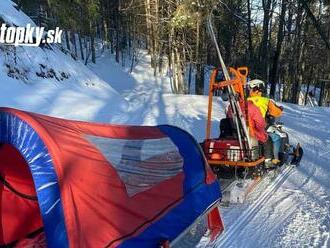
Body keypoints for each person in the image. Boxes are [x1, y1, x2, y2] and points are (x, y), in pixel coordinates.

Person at [247, 79, 284, 164]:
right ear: (259, 89)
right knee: (276, 138)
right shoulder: (266, 101)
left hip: (245, 128)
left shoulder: (245, 101)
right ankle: (273, 160)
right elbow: (277, 113)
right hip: (258, 129)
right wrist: (280, 109)